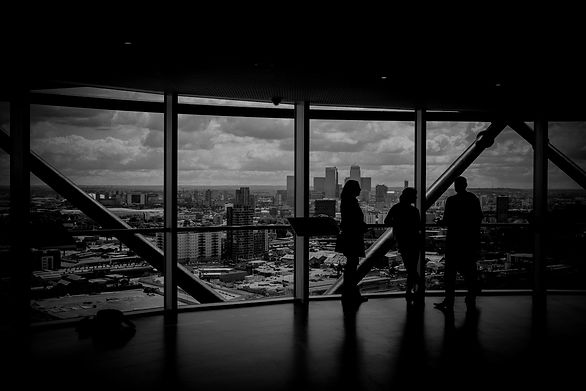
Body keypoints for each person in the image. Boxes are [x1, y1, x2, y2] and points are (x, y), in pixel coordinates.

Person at [434, 176, 483, 312]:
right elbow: (478, 218)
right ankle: (471, 296)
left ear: (456, 186)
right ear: (466, 185)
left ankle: (449, 300)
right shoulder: (473, 199)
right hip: (468, 241)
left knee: (450, 273)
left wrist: (439, 222)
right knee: (469, 271)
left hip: (454, 241)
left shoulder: (452, 200)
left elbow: (447, 221)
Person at [384, 187, 422, 305]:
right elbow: (418, 226)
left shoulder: (396, 208)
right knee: (412, 267)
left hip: (403, 241)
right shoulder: (414, 211)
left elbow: (386, 222)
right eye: (414, 196)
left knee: (409, 267)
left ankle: (411, 290)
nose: (416, 198)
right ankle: (416, 288)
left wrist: (398, 224)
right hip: (414, 241)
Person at [336, 179, 369, 306]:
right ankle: (352, 294)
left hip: (349, 236)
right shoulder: (351, 202)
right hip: (353, 237)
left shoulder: (345, 202)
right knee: (352, 266)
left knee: (351, 266)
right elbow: (354, 220)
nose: (360, 190)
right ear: (353, 190)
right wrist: (362, 226)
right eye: (358, 188)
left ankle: (349, 294)